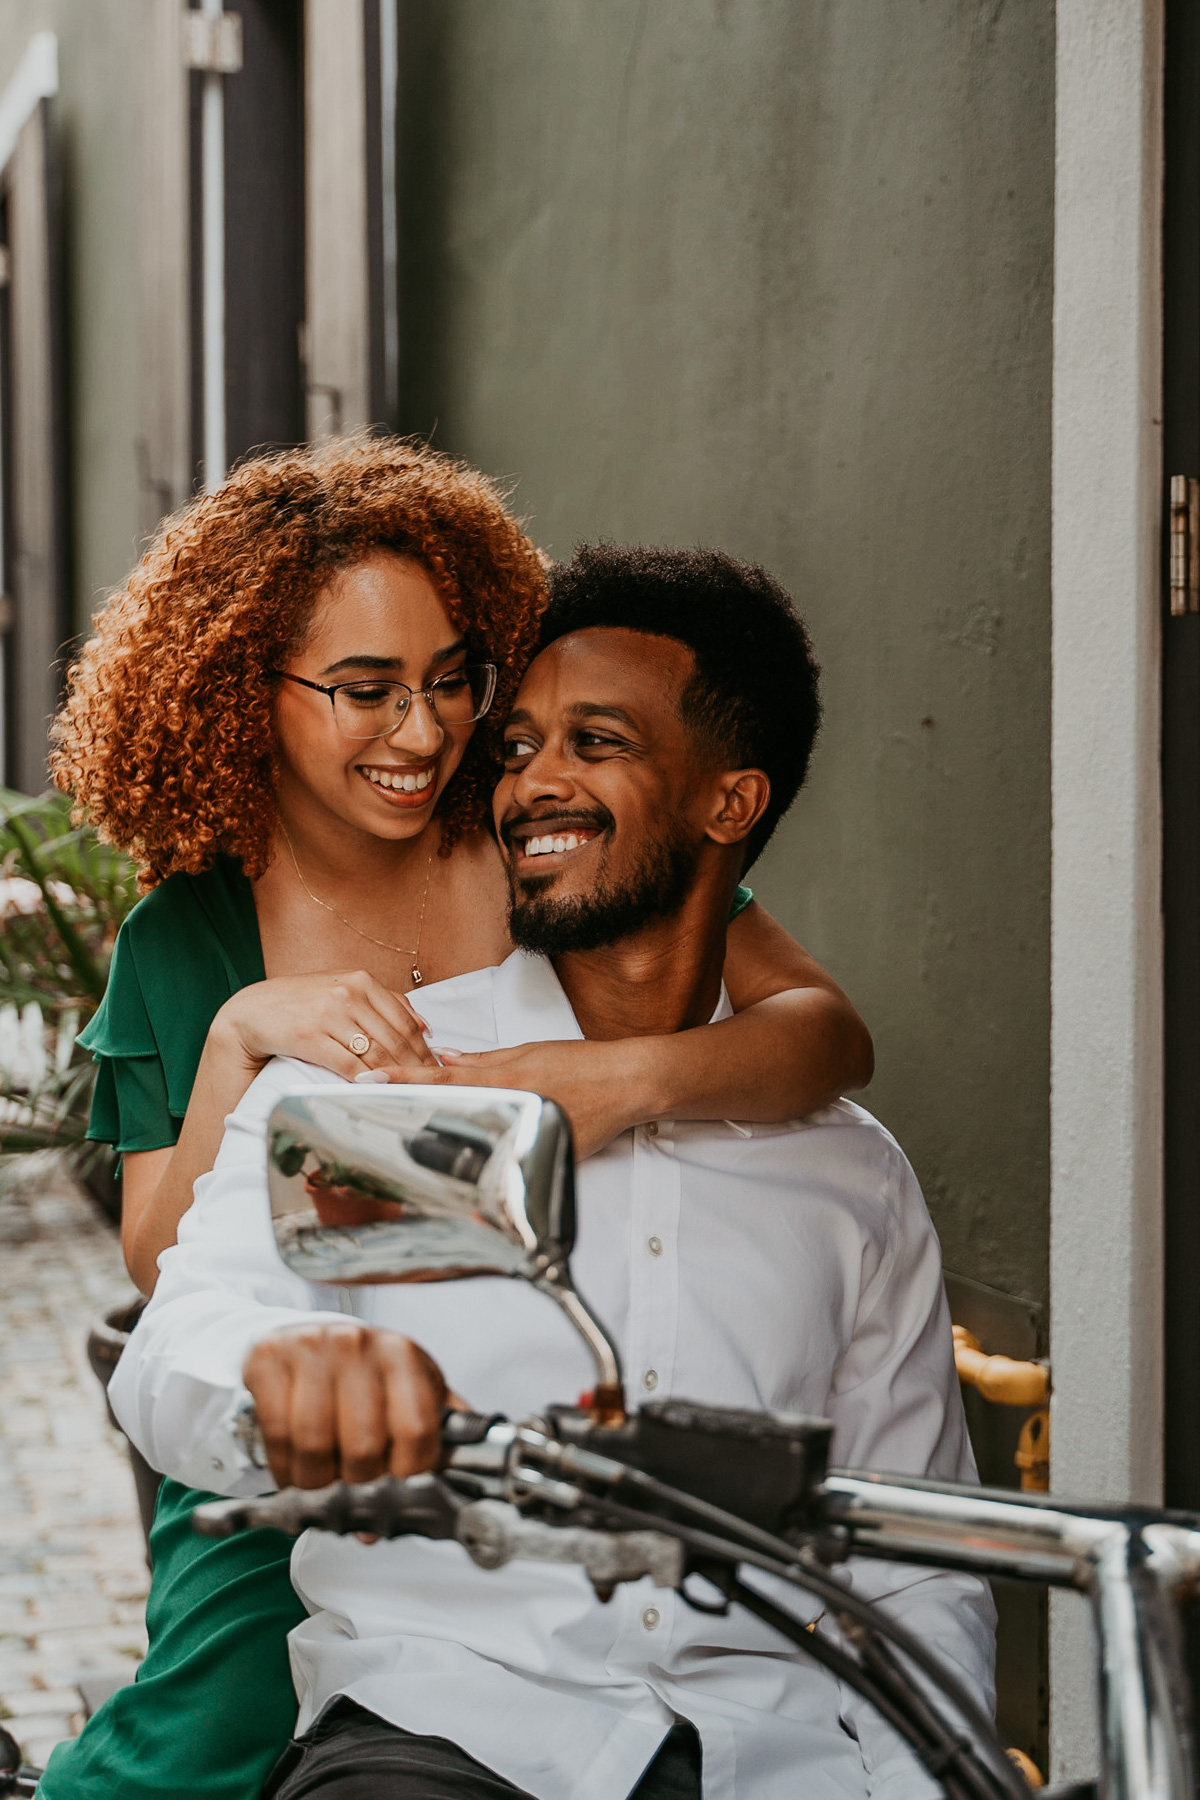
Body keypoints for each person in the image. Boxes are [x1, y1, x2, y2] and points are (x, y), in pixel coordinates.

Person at [40, 448, 873, 1800]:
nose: (423, 735)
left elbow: (829, 1039)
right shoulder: (190, 931)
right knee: (186, 1761)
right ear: (246, 693)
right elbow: (160, 1266)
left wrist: (607, 1083)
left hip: (543, 1416)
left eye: (448, 680)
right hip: (325, 1427)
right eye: (366, 691)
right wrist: (242, 1036)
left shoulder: (536, 842)